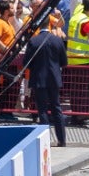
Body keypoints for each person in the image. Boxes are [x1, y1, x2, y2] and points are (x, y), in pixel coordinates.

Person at [24, 16, 68, 147]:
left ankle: (45, 140)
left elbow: (26, 62)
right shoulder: (57, 40)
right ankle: (62, 139)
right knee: (56, 107)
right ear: (49, 24)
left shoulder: (33, 41)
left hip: (39, 79)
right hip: (54, 78)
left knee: (42, 110)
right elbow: (64, 62)